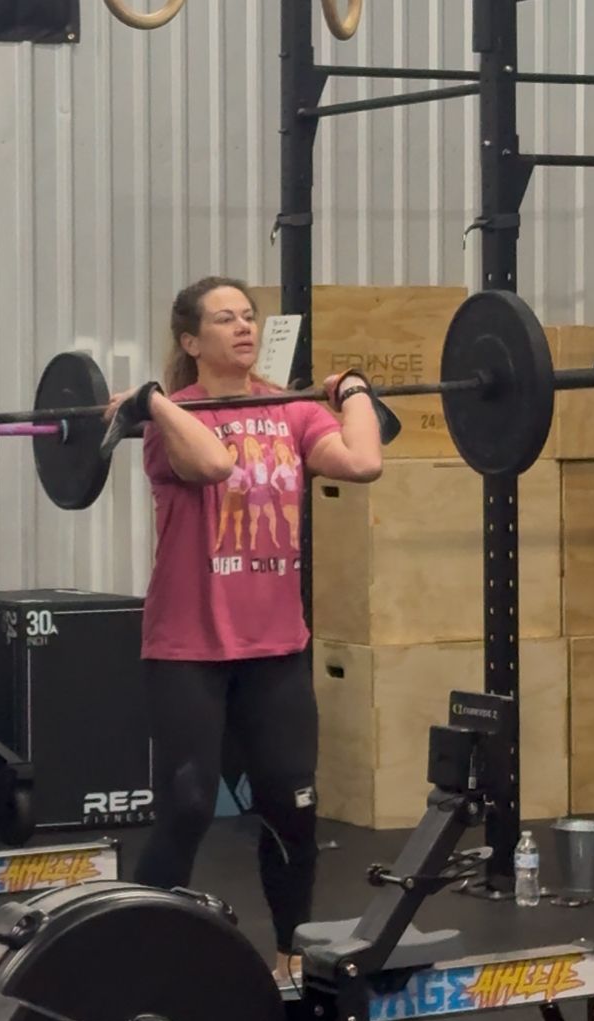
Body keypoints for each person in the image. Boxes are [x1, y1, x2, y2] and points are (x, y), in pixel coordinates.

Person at [105, 275, 384, 981]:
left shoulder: (290, 410)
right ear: (190, 341)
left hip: (276, 649)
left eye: (248, 317)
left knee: (292, 808)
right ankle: (125, 954)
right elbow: (213, 462)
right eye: (223, 319)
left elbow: (362, 461)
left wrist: (349, 390)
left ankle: (293, 955)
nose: (242, 328)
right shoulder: (169, 423)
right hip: (187, 650)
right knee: (187, 808)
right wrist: (157, 405)